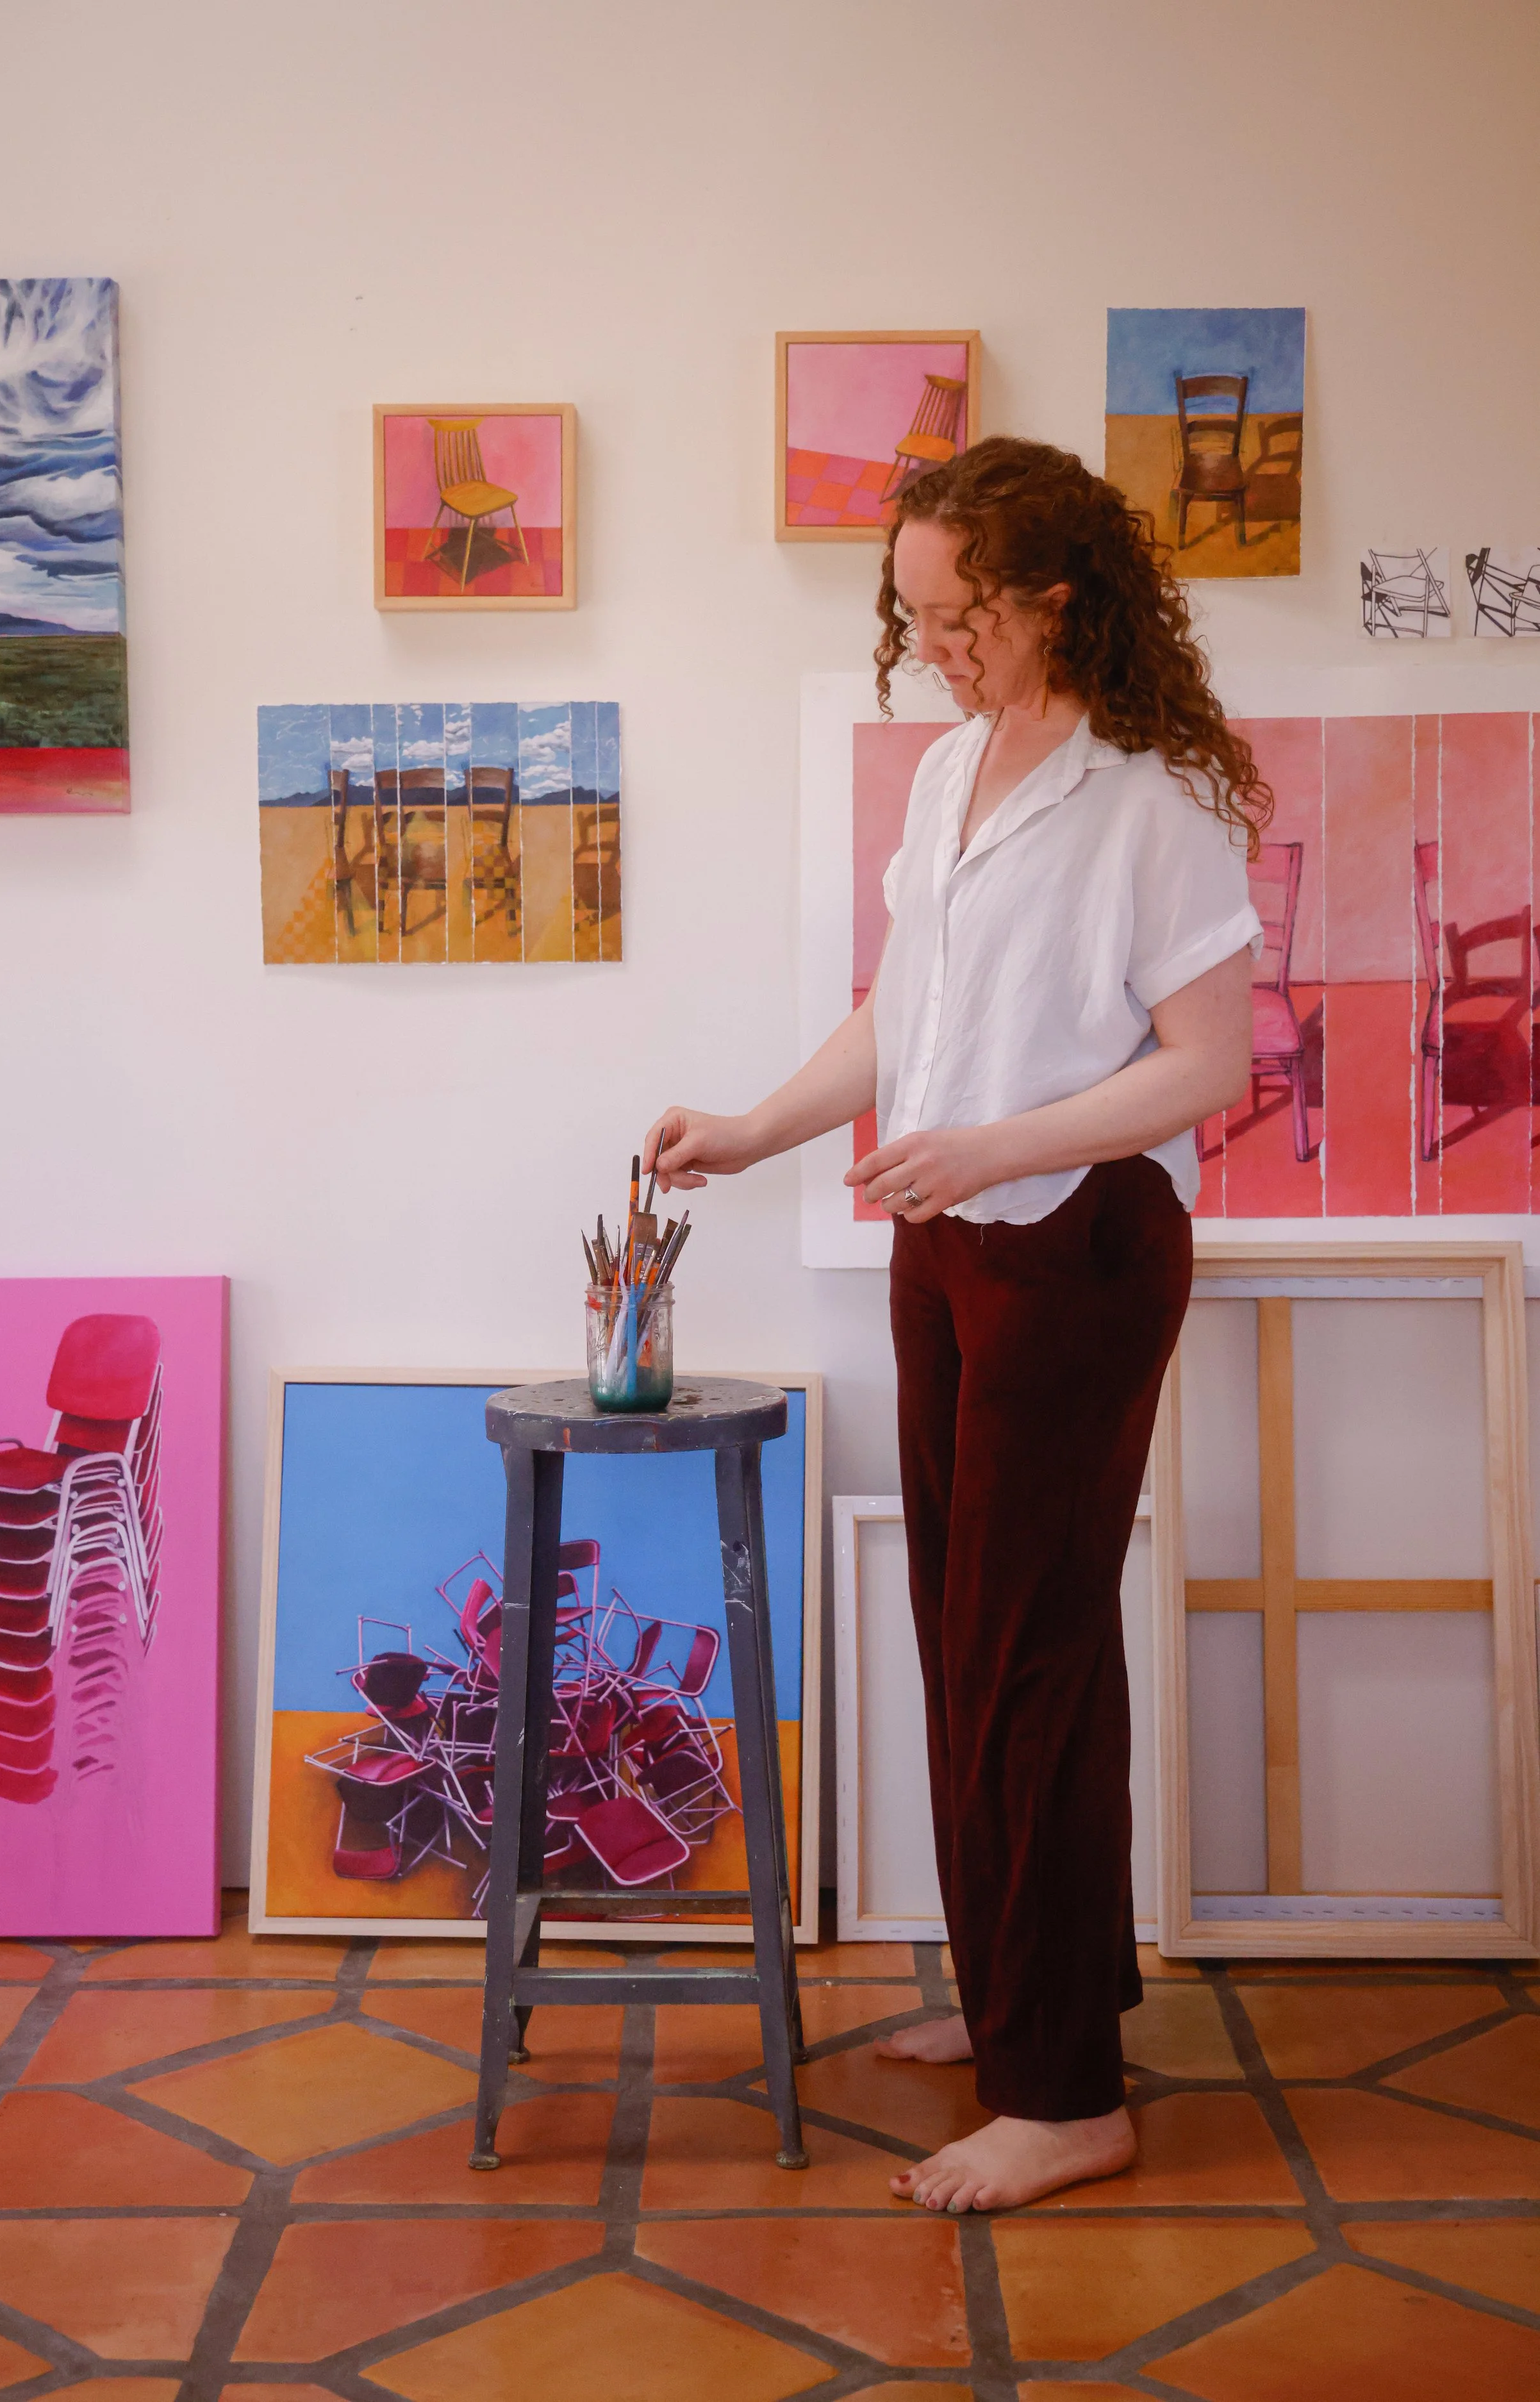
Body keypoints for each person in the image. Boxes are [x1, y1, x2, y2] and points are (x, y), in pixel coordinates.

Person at [644, 435, 1267, 2214]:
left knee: (1026, 1651)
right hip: (953, 1245)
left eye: (957, 615)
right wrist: (756, 1129)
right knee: (966, 1633)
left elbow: (1202, 1066)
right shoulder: (946, 771)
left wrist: (990, 1140)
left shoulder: (1153, 795)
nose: (928, 644)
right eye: (910, 613)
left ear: (1050, 597)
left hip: (1076, 1245)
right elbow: (898, 1007)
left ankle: (1065, 2088)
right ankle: (1019, 1999)